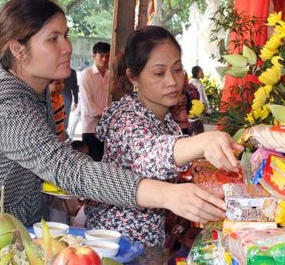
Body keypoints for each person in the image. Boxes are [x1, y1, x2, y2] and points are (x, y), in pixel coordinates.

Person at [0, 0, 236, 232]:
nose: (67, 47)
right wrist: (167, 196)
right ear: (18, 50)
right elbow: (71, 170)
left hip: (2, 232)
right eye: (53, 39)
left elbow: (43, 165)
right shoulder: (8, 107)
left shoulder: (34, 92)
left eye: (66, 35)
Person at [85, 25, 243, 246]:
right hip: (118, 244)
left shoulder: (165, 120)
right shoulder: (125, 117)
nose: (172, 81)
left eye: (177, 69)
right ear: (133, 77)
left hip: (151, 243)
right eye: (159, 73)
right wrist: (203, 141)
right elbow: (150, 151)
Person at [79, 42, 110, 161]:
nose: (104, 59)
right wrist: (109, 115)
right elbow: (89, 104)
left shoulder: (110, 75)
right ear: (93, 56)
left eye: (107, 56)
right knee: (90, 162)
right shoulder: (86, 74)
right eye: (101, 56)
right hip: (90, 128)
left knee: (104, 161)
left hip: (106, 128)